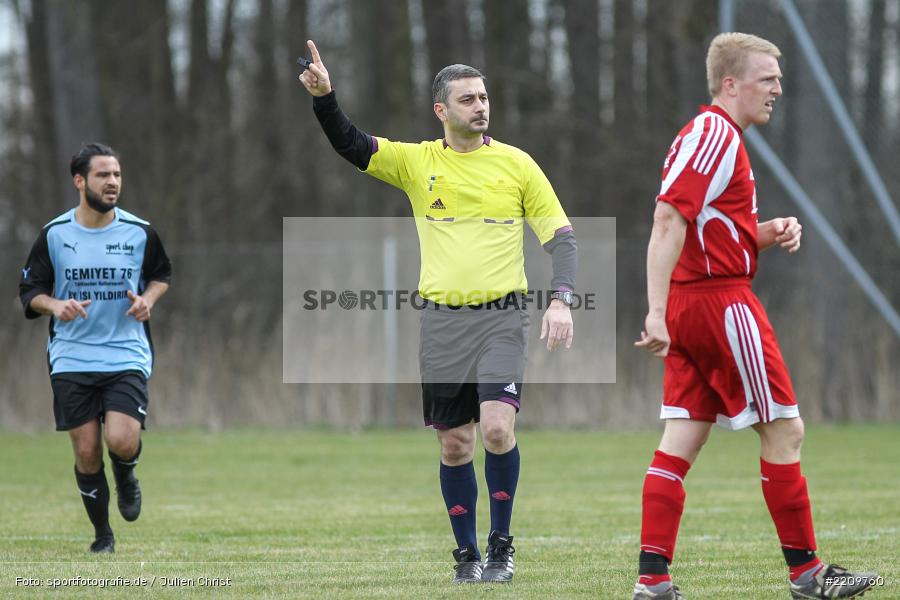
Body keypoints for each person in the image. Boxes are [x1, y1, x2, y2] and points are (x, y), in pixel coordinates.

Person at [299, 40, 577, 583]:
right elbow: (353, 145)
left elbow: (562, 239)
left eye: (483, 96)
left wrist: (562, 298)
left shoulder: (518, 165)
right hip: (443, 324)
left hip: (503, 318)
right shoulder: (417, 162)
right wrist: (325, 99)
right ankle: (467, 556)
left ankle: (501, 547)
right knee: (455, 443)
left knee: (497, 429)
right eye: (468, 99)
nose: (480, 106)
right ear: (442, 111)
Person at [632, 33, 877, 600]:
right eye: (768, 79)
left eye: (779, 79)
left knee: (680, 441)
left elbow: (703, 231)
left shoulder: (713, 136)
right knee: (786, 429)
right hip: (720, 305)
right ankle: (808, 575)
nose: (778, 89)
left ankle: (653, 582)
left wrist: (763, 234)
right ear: (730, 84)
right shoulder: (717, 133)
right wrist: (653, 311)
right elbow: (667, 219)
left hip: (697, 300)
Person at [19, 143, 172, 554]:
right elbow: (30, 290)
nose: (113, 183)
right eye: (104, 175)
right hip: (71, 356)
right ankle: (103, 536)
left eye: (117, 175)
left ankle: (126, 474)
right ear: (80, 180)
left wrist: (148, 301)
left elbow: (160, 276)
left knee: (121, 440)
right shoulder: (55, 235)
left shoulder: (140, 232)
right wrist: (56, 305)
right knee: (86, 451)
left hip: (125, 352)